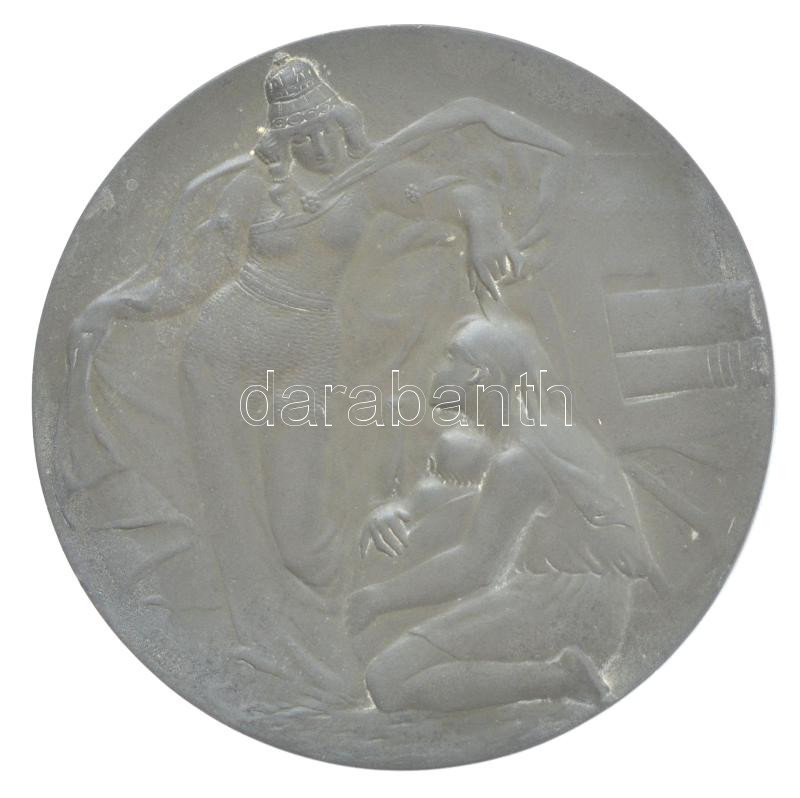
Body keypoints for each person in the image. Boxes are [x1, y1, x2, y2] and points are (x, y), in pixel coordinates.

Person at [63, 52, 571, 694]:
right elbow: (195, 274)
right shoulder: (251, 188)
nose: (321, 147)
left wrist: (486, 229)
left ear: (344, 122)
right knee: (233, 510)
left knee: (301, 537)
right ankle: (270, 657)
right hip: (223, 352)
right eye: (303, 138)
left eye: (326, 130)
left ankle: (343, 632)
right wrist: (123, 304)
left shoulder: (372, 180)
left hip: (310, 350)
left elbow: (463, 194)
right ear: (283, 142)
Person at [349, 311, 659, 712]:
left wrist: (379, 598)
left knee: (388, 679)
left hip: (565, 610)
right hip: (586, 604)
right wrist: (403, 507)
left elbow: (476, 567)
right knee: (397, 674)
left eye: (451, 357)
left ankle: (562, 679)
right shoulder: (543, 435)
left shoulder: (521, 461)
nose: (438, 368)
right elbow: (469, 501)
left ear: (480, 375)